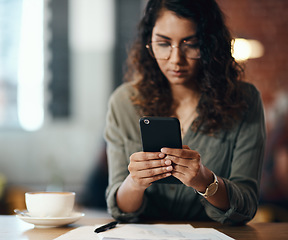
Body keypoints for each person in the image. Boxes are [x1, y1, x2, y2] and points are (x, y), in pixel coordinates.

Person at [104, 0, 266, 225]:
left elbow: (246, 206)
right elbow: (120, 209)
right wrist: (135, 182)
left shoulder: (245, 101)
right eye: (163, 43)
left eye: (191, 44)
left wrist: (205, 181)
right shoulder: (124, 102)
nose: (176, 59)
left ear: (209, 44)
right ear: (148, 43)